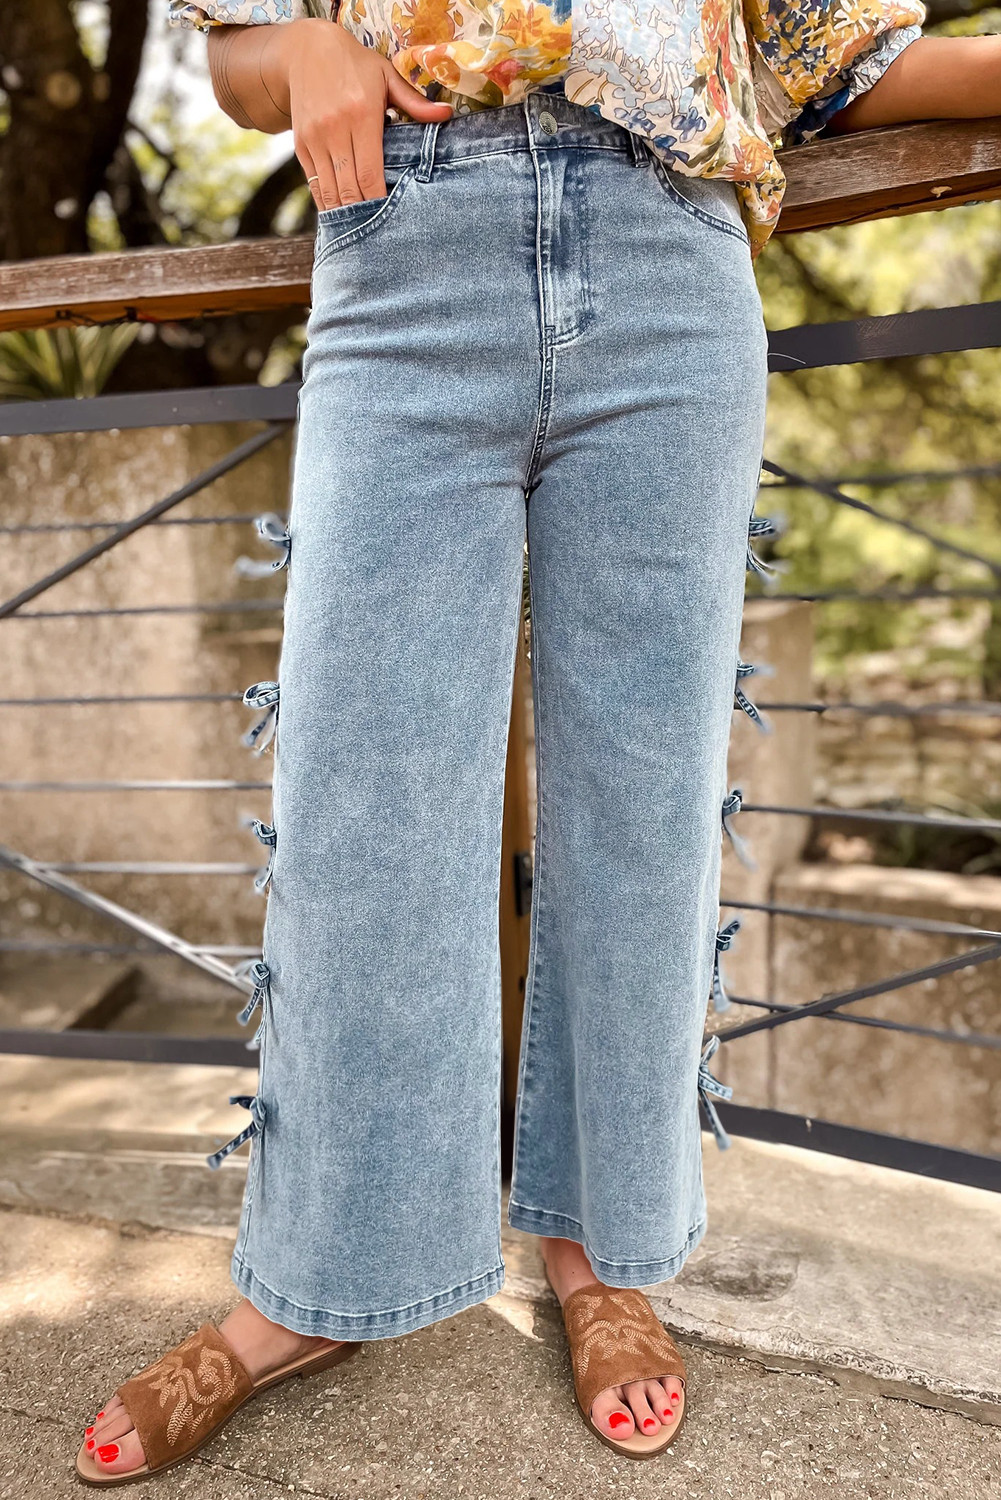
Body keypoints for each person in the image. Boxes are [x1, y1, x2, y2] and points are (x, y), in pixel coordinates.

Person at [74, 0, 997, 1482]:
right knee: (362, 809)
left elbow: (838, 53)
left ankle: (597, 1250)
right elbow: (245, 48)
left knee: (640, 810)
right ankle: (307, 1286)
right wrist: (302, 56)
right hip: (405, 250)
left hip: (668, 257)